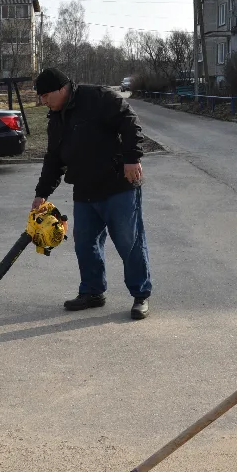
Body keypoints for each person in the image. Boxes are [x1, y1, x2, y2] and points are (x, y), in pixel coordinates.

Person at [31, 67, 153, 320]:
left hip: (118, 186)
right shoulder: (56, 119)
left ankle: (140, 295)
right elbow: (54, 159)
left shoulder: (98, 98)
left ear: (61, 89)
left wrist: (132, 158)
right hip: (84, 190)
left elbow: (130, 121)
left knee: (129, 242)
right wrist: (42, 193)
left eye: (45, 96)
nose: (43, 101)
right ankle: (93, 292)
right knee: (85, 244)